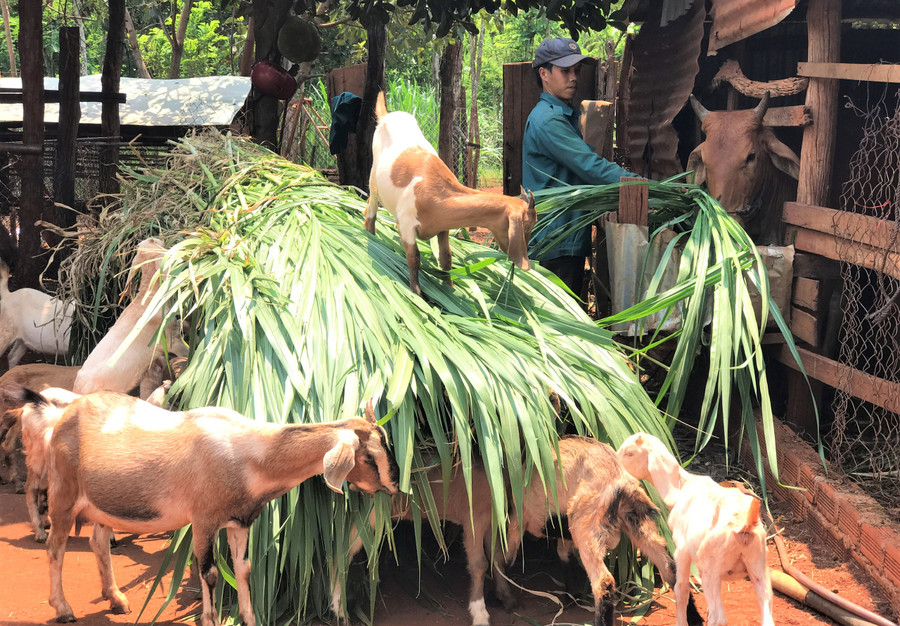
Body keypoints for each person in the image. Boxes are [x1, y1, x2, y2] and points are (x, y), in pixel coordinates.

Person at [523, 36, 636, 297]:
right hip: (555, 240)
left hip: (565, 236)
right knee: (561, 324)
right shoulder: (548, 120)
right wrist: (642, 185)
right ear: (544, 74)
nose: (573, 77)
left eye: (576, 70)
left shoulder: (562, 114)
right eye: (565, 71)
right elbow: (590, 166)